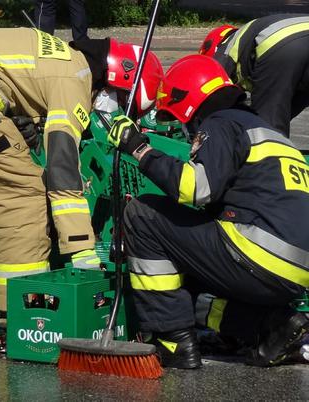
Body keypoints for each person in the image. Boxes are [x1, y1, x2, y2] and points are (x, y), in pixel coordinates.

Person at [0, 27, 163, 332]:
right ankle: (19, 313)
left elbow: (11, 79)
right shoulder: (76, 79)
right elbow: (61, 166)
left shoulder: (65, 59)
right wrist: (80, 250)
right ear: (117, 79)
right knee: (23, 197)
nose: (113, 109)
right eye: (121, 101)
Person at [107, 54, 309, 369]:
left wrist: (138, 147)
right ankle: (272, 326)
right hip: (294, 274)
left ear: (188, 103)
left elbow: (196, 188)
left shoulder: (222, 122)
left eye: (184, 121)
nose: (188, 132)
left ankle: (172, 339)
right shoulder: (271, 134)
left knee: (143, 214)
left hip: (257, 254)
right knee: (190, 287)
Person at [199, 15, 309, 137]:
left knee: (268, 123)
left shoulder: (225, 47)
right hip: (299, 37)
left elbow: (211, 88)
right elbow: (288, 106)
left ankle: (272, 154)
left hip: (283, 45)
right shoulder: (252, 32)